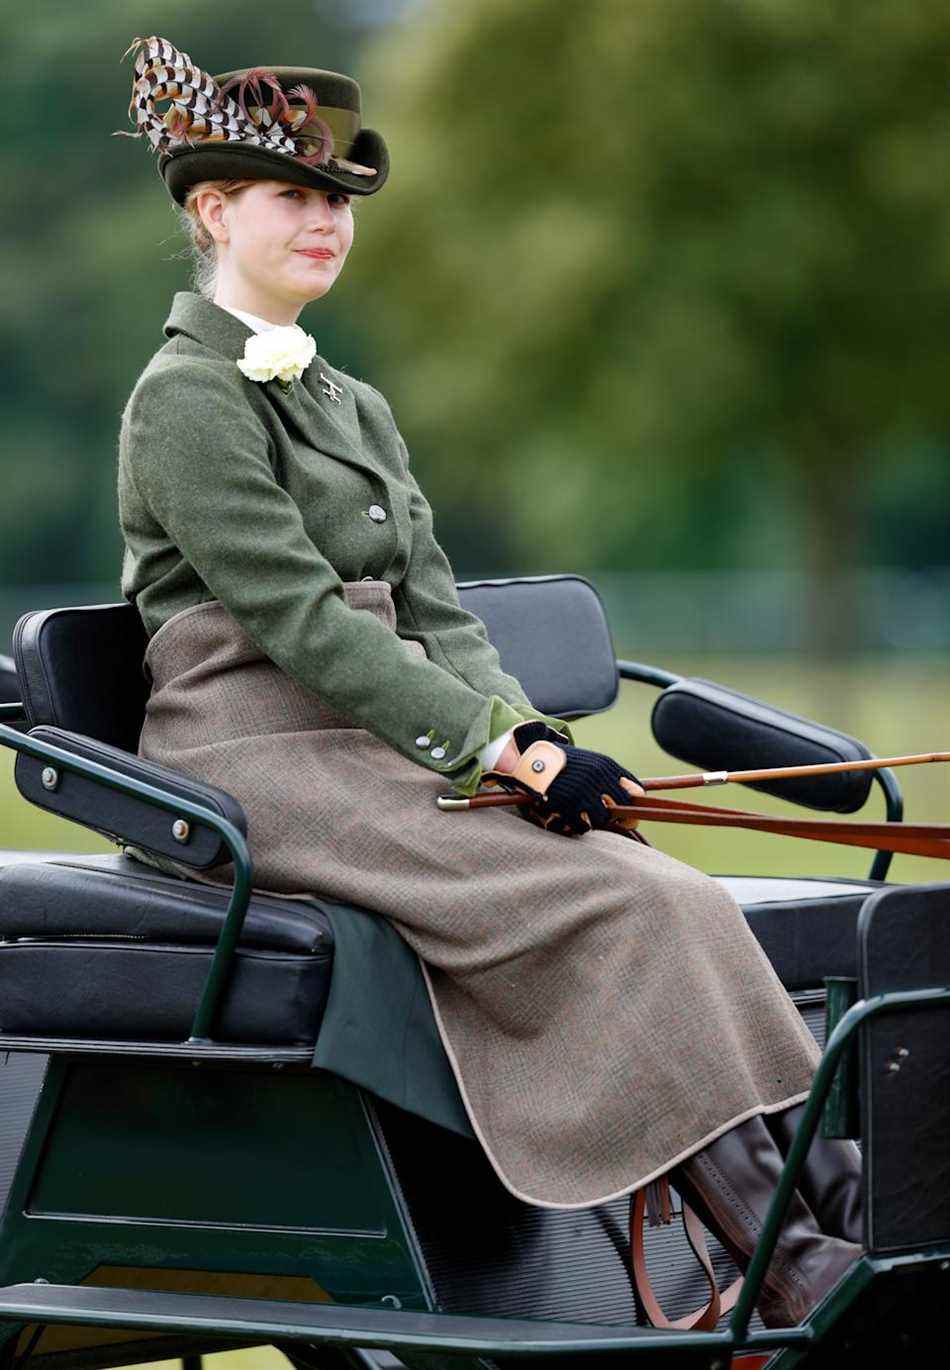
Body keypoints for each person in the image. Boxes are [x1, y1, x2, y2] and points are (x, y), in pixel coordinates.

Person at [114, 34, 863, 1328]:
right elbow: (305, 624)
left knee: (668, 893)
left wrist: (527, 736)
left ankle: (825, 1201)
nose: (325, 223)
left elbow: (436, 616)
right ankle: (774, 1251)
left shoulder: (353, 403)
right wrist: (492, 753)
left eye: (337, 201)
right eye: (292, 195)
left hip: (373, 737)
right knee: (600, 907)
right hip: (252, 758)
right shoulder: (181, 400)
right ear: (212, 209)